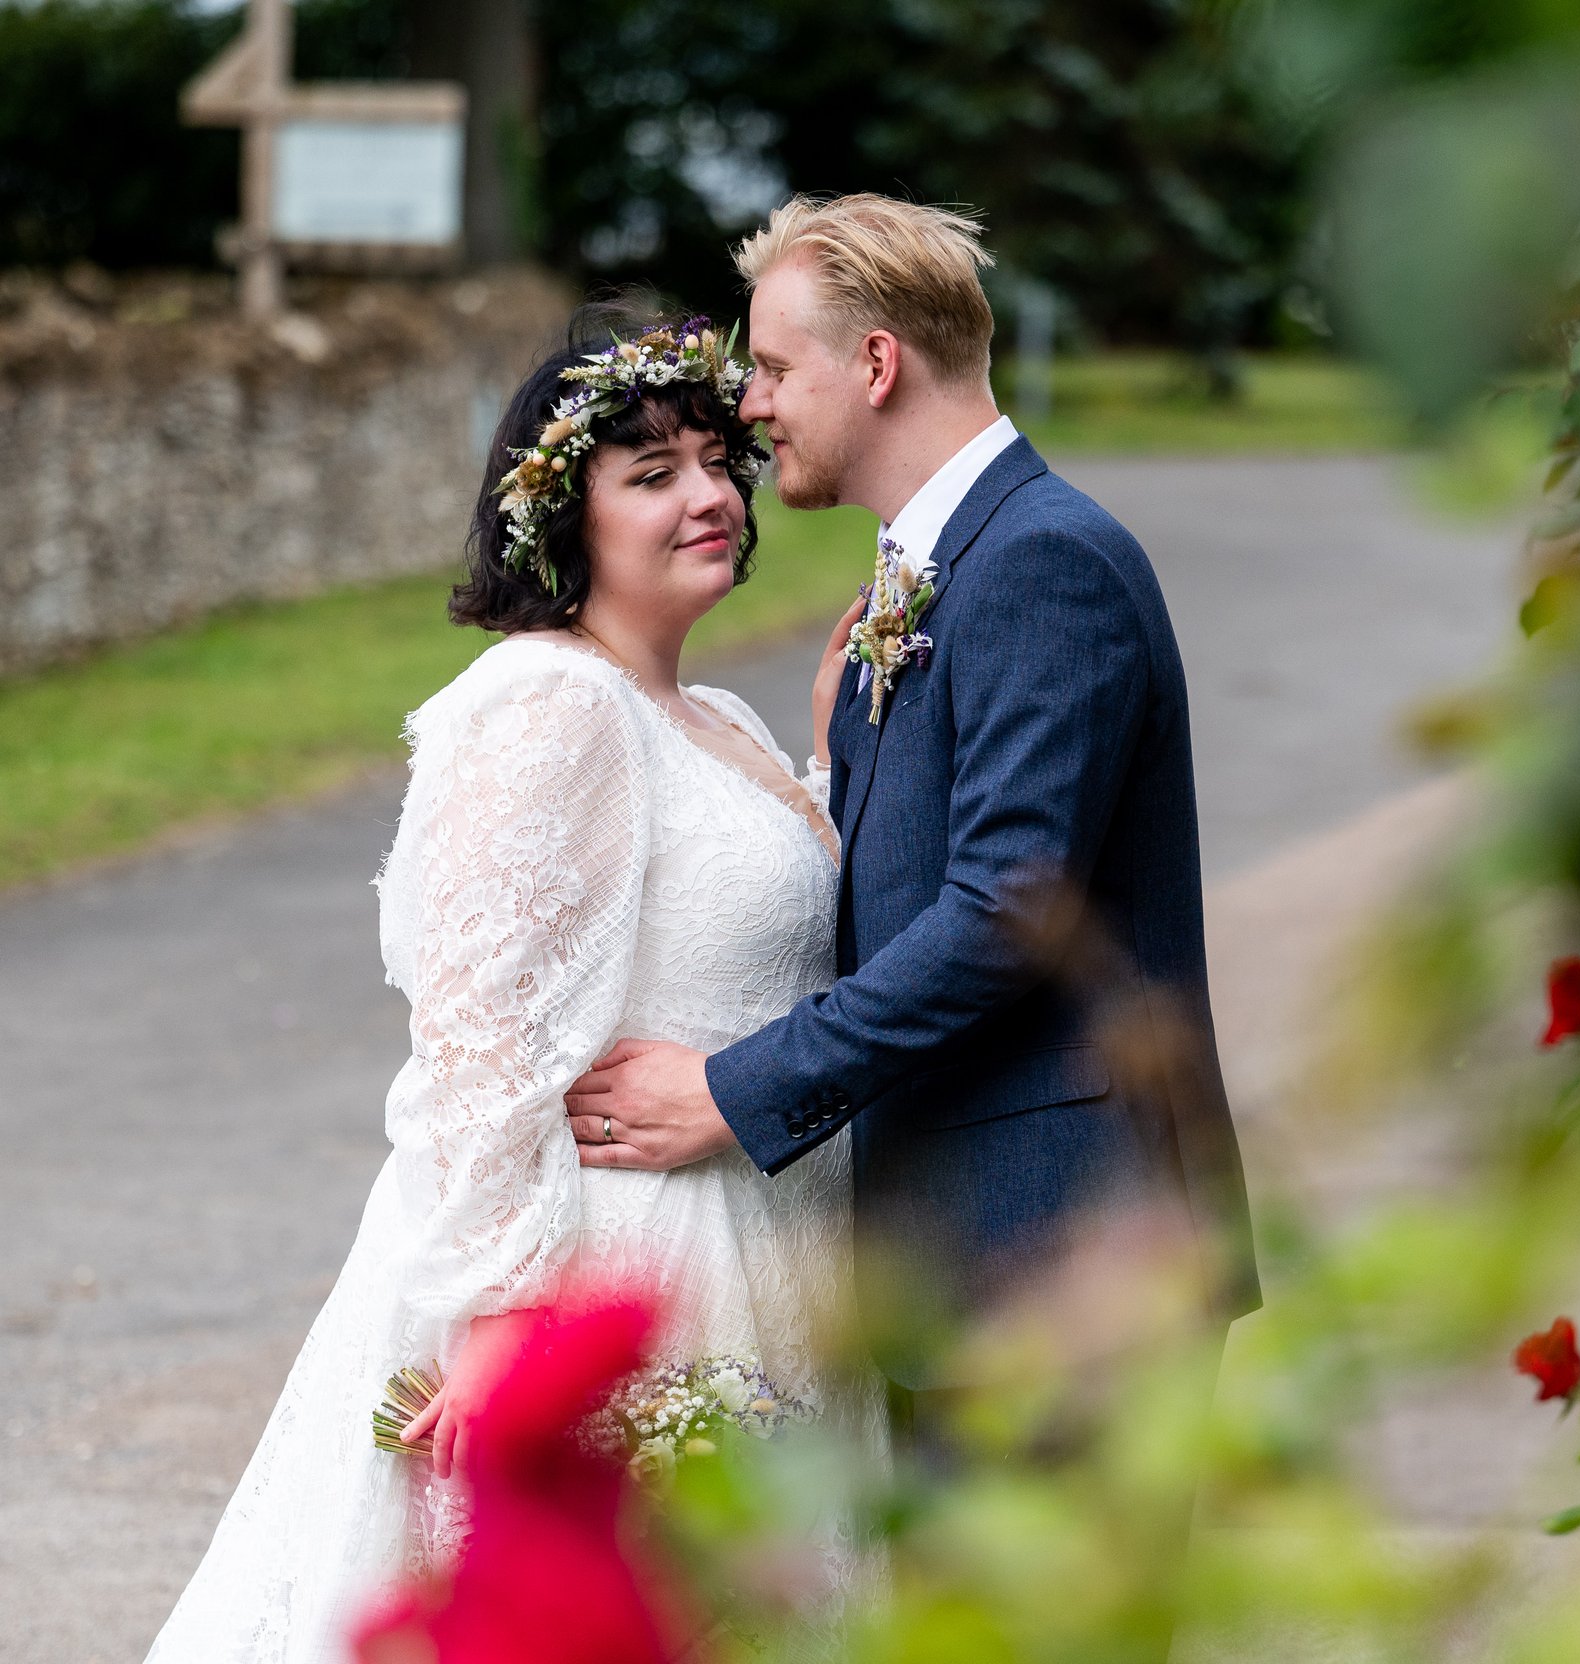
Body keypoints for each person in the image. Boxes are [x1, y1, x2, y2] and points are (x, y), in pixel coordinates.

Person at [146, 311, 875, 1663]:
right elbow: (480, 1038)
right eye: (652, 474)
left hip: (765, 1242)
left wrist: (829, 761)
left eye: (718, 459)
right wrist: (502, 1324)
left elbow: (754, 942)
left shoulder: (724, 718)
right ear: (559, 521)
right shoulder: (547, 702)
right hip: (610, 1255)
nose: (713, 493)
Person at [565, 196, 1260, 1514]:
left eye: (772, 369)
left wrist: (733, 1089)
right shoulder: (938, 566)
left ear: (875, 365)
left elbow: (1004, 913)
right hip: (977, 1248)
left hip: (1069, 1254)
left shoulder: (1042, 562)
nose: (752, 406)